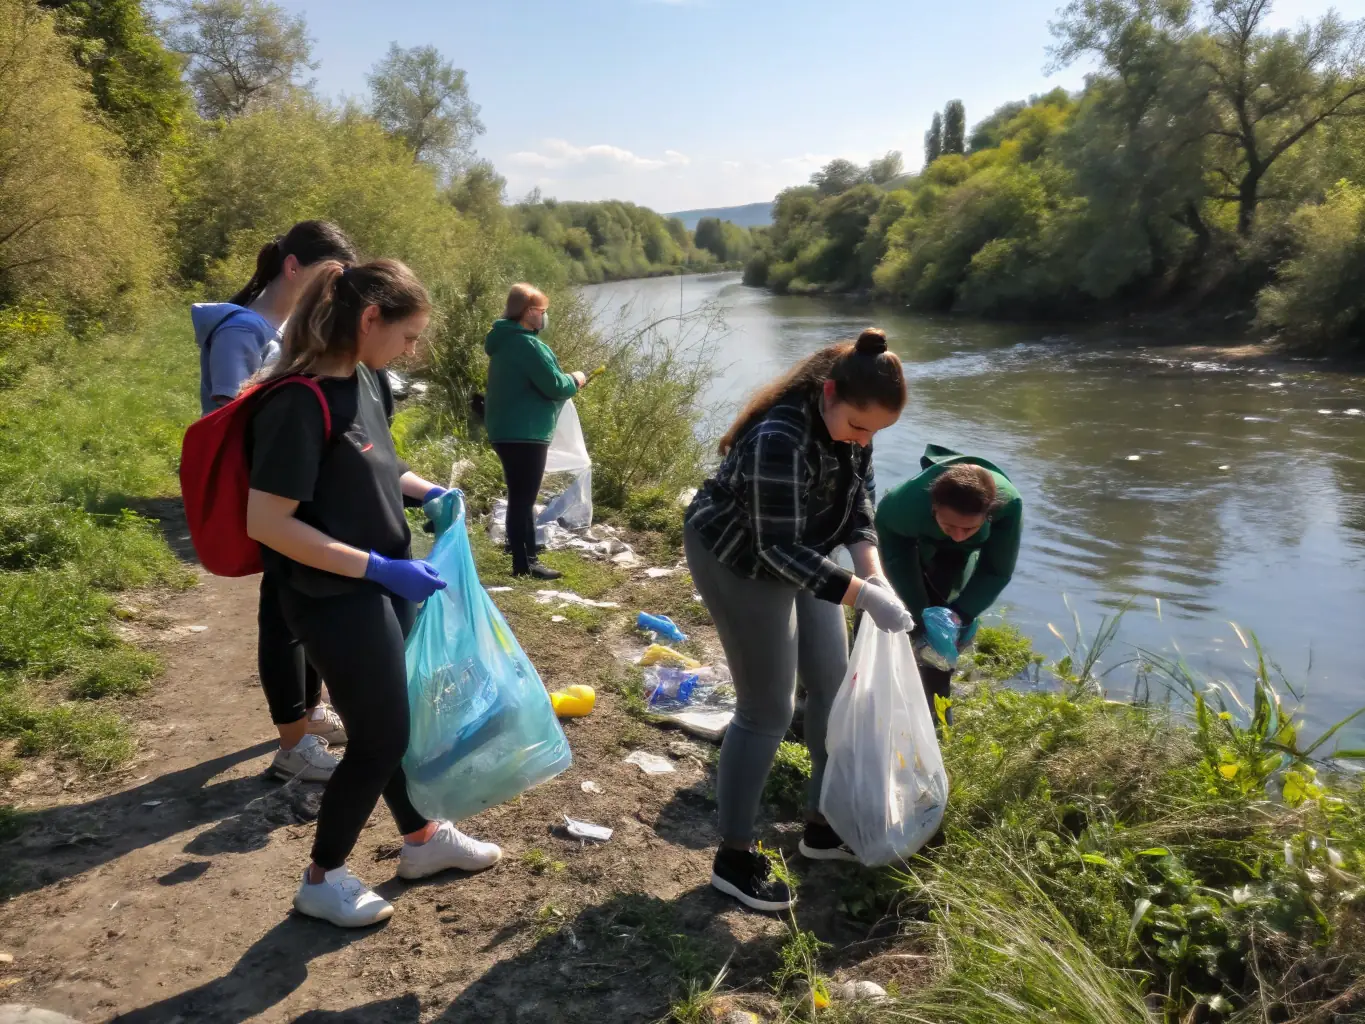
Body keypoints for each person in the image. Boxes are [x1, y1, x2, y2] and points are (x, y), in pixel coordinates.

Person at [244, 258, 502, 928]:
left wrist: (429, 492)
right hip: (331, 596)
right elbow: (268, 522)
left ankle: (420, 840)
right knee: (382, 735)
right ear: (368, 319)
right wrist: (378, 570)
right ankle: (322, 878)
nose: (412, 350)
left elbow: (380, 462)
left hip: (383, 579)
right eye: (408, 335)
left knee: (391, 723)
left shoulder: (365, 379)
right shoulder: (297, 403)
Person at [684, 328, 914, 912]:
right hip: (740, 559)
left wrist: (871, 569)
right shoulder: (778, 435)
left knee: (833, 690)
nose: (864, 440)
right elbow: (774, 550)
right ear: (829, 394)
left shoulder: (855, 425)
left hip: (809, 555)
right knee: (768, 709)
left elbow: (858, 499)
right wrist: (863, 596)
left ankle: (822, 823)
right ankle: (733, 858)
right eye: (859, 427)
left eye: (875, 433)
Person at [192, 221, 360, 784]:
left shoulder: (284, 323)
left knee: (298, 607)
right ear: (294, 269)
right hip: (267, 483)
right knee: (282, 613)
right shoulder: (243, 329)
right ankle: (292, 741)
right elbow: (229, 408)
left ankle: (309, 716)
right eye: (325, 277)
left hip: (295, 480)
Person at [874, 445, 1022, 727]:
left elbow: (996, 570)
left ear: (988, 515)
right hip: (907, 543)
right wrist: (918, 613)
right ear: (933, 509)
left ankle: (937, 721)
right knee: (889, 609)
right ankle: (870, 695)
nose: (957, 535)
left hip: (957, 558)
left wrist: (959, 615)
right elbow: (895, 558)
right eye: (950, 526)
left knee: (941, 633)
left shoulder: (1009, 507)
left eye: (968, 529)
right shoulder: (902, 507)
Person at [483, 283, 588, 580]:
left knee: (520, 495)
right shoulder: (527, 344)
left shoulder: (503, 341)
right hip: (525, 432)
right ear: (529, 312)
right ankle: (525, 563)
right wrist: (577, 379)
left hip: (505, 430)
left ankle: (521, 551)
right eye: (542, 311)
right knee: (523, 498)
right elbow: (554, 385)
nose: (544, 316)